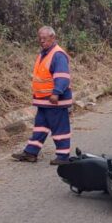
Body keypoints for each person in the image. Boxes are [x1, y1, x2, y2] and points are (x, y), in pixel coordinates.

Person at [12, 26, 72, 165]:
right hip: (44, 101)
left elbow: (62, 76)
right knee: (40, 127)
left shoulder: (58, 55)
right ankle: (31, 152)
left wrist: (56, 93)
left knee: (60, 128)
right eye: (40, 38)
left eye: (45, 38)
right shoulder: (43, 53)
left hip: (54, 101)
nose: (42, 41)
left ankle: (63, 156)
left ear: (53, 38)